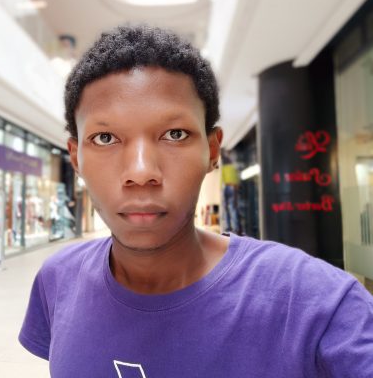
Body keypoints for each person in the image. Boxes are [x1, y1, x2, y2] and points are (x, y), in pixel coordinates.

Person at [19, 25, 373, 377]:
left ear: (212, 151)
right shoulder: (58, 280)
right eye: (105, 137)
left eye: (174, 134)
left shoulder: (317, 304)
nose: (141, 173)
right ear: (76, 158)